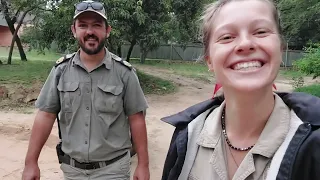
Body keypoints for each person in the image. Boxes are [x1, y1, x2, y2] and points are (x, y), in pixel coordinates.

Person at [161, 0, 320, 180]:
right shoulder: (187, 137)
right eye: (227, 37)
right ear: (209, 60)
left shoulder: (314, 143)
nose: (245, 44)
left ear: (281, 48)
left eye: (260, 31)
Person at [22, 1, 150, 180]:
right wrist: (31, 162)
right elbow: (46, 115)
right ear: (74, 30)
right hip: (72, 171)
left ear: (107, 30)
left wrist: (143, 165)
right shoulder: (60, 71)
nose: (90, 32)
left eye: (97, 25)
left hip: (113, 171)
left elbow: (137, 119)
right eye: (83, 26)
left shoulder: (124, 73)